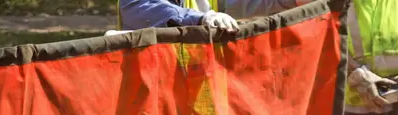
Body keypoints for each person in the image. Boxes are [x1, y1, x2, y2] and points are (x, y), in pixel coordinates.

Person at [117, 0, 309, 31]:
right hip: (150, 107)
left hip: (197, 106)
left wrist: (293, 1)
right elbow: (148, 9)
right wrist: (201, 19)